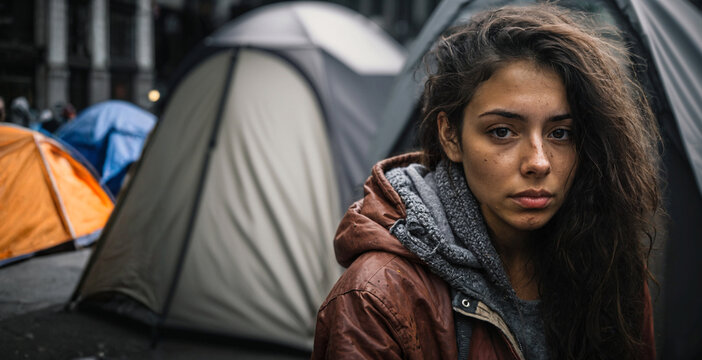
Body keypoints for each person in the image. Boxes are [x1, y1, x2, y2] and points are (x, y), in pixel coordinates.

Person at [312, 4, 659, 360]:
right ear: (450, 136)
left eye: (560, 133)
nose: (538, 162)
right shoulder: (376, 298)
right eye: (503, 131)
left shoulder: (607, 262)